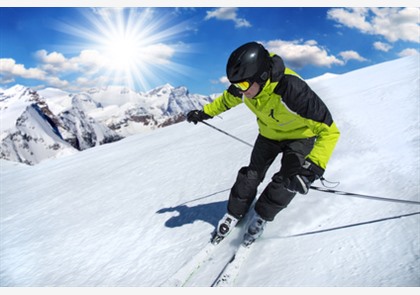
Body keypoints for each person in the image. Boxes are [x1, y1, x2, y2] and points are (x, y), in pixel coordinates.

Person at [186, 41, 340, 245]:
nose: (240, 91)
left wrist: (313, 167)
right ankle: (234, 213)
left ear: (262, 76)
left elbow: (329, 130)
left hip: (300, 137)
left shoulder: (292, 89)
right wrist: (204, 113)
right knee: (251, 175)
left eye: (242, 85)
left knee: (287, 180)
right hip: (268, 135)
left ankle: (262, 215)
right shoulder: (247, 85)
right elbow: (226, 100)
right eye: (236, 85)